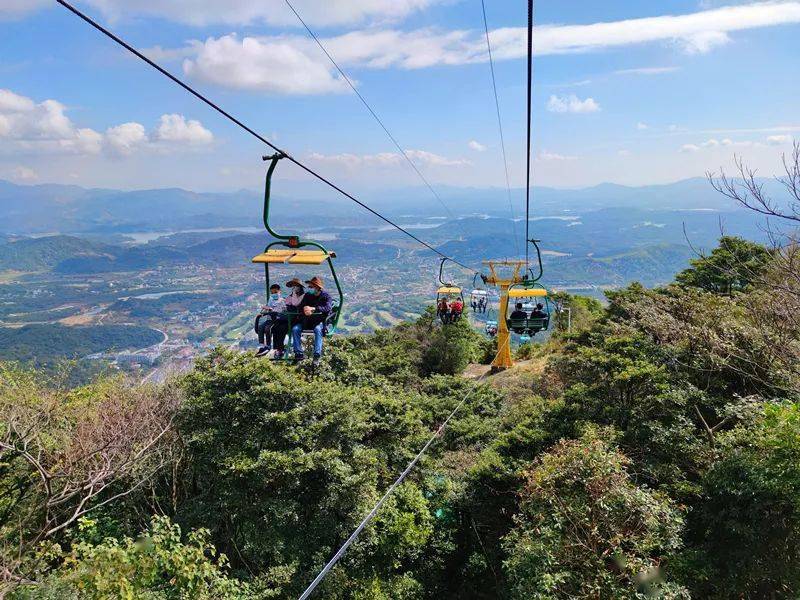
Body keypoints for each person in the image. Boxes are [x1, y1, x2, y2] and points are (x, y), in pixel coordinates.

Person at [292, 276, 333, 366]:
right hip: (306, 321)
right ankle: (298, 354)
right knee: (295, 329)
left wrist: (314, 309)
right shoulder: (308, 295)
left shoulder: (326, 296)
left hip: (318, 321)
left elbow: (327, 308)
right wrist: (305, 309)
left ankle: (316, 355)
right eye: (310, 286)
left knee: (318, 330)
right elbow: (301, 306)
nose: (310, 288)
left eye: (312, 287)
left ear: (318, 287)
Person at [269, 279, 305, 358]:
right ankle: (278, 349)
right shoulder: (291, 295)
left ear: (299, 287)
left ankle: (281, 349)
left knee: (282, 328)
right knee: (276, 327)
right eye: (293, 286)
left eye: (295, 286)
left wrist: (294, 293)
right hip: (287, 316)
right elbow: (285, 304)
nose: (294, 288)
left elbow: (295, 303)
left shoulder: (302, 296)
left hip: (295, 318)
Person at [254, 284, 286, 357]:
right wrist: (265, 309)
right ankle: (262, 345)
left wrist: (271, 309)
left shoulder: (282, 301)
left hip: (275, 319)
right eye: (272, 293)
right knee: (260, 327)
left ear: (279, 291)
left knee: (267, 328)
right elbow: (268, 307)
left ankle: (268, 346)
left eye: (275, 292)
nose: (273, 294)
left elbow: (281, 311)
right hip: (269, 319)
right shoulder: (271, 299)